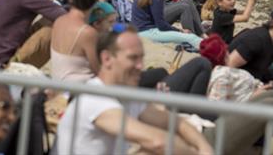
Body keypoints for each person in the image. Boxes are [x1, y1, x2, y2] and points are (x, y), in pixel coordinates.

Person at [53, 27, 215, 155]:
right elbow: (157, 142)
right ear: (107, 59)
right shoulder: (94, 97)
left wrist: (204, 148)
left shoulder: (126, 94)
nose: (140, 66)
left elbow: (176, 122)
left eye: (141, 58)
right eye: (133, 58)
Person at [50, 0, 104, 82]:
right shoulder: (87, 33)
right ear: (96, 1)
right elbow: (98, 70)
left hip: (57, 83)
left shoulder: (59, 21)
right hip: (77, 91)